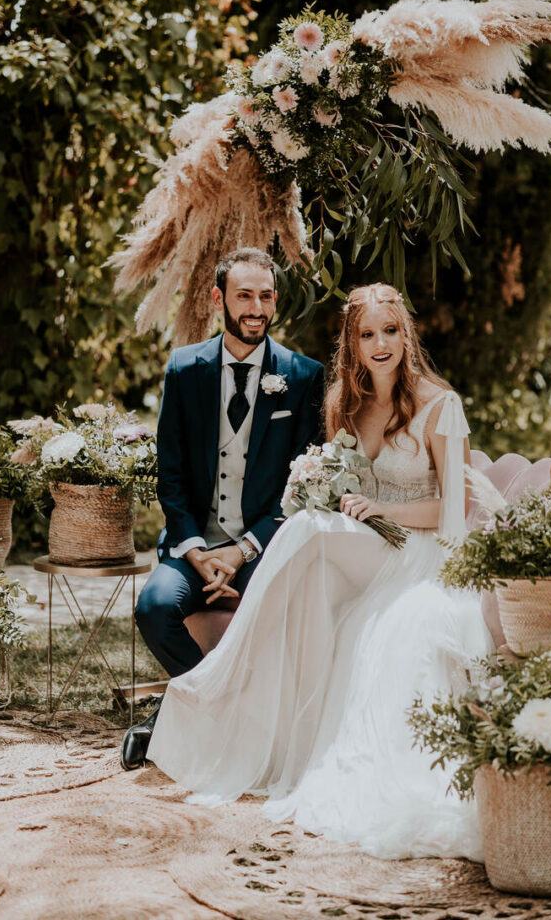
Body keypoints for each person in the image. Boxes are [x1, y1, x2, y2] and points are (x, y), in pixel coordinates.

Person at [147, 283, 494, 859]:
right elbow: (340, 492)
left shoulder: (440, 404)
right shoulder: (347, 405)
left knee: (316, 544)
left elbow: (453, 514)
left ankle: (244, 693)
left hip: (424, 551)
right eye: (366, 334)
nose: (379, 344)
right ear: (351, 344)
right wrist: (322, 488)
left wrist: (383, 509)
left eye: (389, 331)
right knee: (307, 528)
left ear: (405, 335)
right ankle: (264, 722)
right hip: (372, 546)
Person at [121, 247, 325, 770]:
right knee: (154, 608)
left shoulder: (302, 378)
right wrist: (196, 553)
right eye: (244, 296)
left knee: (280, 612)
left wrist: (242, 552)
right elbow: (171, 477)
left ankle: (174, 716)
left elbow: (301, 488)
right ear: (219, 300)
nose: (256, 307)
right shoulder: (184, 369)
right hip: (193, 547)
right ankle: (216, 708)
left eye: (265, 296)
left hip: (263, 549)